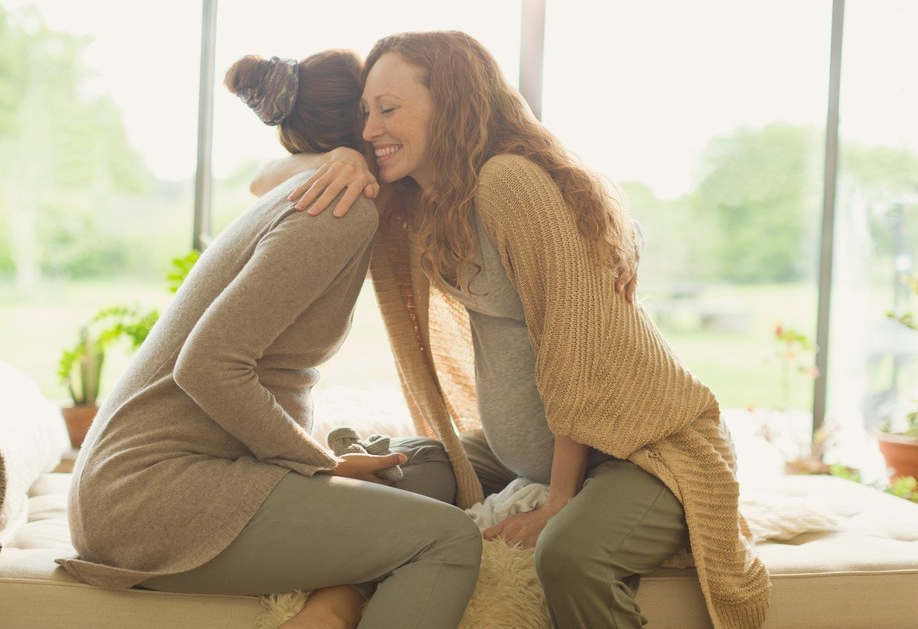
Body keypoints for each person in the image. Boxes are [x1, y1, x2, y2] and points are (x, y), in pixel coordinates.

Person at [271, 31, 771, 628]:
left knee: (569, 556)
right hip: (520, 454)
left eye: (388, 109)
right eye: (365, 114)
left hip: (637, 448)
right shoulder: (423, 197)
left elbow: (573, 346)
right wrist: (342, 157)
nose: (372, 128)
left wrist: (559, 502)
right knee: (390, 477)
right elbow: (266, 181)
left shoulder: (508, 182)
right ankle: (340, 601)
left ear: (450, 103)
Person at [57, 49, 482, 629]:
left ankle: (335, 603)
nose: (386, 124)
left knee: (431, 469)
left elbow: (264, 176)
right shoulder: (335, 210)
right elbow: (206, 365)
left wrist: (335, 157)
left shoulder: (313, 184)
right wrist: (319, 463)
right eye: (377, 109)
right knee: (449, 539)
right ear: (361, 128)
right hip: (148, 499)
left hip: (172, 477)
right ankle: (337, 606)